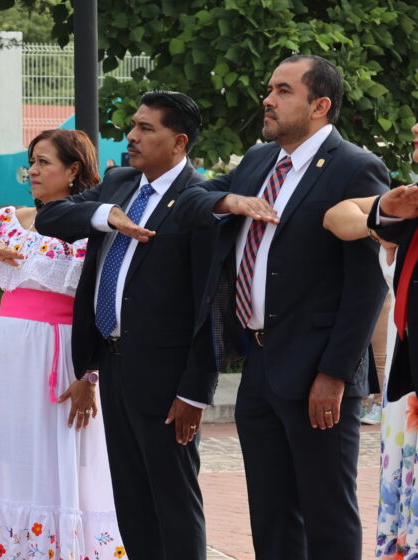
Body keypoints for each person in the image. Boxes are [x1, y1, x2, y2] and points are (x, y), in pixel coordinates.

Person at [174, 55, 389, 560]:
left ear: (320, 105)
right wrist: (229, 203)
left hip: (318, 372)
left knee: (327, 517)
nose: (267, 100)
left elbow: (367, 284)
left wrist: (335, 374)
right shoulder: (256, 162)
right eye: (269, 88)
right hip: (261, 366)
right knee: (270, 516)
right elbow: (189, 205)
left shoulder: (355, 167)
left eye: (283, 91)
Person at [35, 91, 217, 560]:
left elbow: (207, 306)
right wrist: (105, 215)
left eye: (145, 129)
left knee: (173, 501)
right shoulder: (119, 182)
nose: (131, 136)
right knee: (131, 501)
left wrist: (195, 391)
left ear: (178, 142)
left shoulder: (198, 200)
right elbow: (51, 216)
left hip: (166, 379)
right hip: (110, 365)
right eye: (133, 126)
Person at [0, 129, 125, 559]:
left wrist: (90, 376)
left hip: (64, 353)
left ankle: (65, 548)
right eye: (32, 162)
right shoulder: (15, 218)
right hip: (11, 350)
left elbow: (105, 308)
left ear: (74, 169)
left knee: (64, 452)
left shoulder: (95, 228)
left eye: (44, 162)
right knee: (11, 448)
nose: (34, 172)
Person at [322, 190, 403, 559]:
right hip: (406, 392)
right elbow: (335, 216)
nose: (415, 127)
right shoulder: (408, 201)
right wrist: (378, 225)